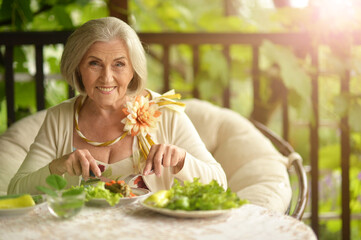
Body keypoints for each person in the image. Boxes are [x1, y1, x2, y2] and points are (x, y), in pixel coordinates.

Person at [8, 17, 227, 194]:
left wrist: (181, 160)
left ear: (134, 69)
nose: (107, 77)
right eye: (94, 63)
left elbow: (220, 184)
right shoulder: (60, 118)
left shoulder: (165, 114)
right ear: (78, 68)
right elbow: (15, 190)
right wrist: (57, 167)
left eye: (119, 64)